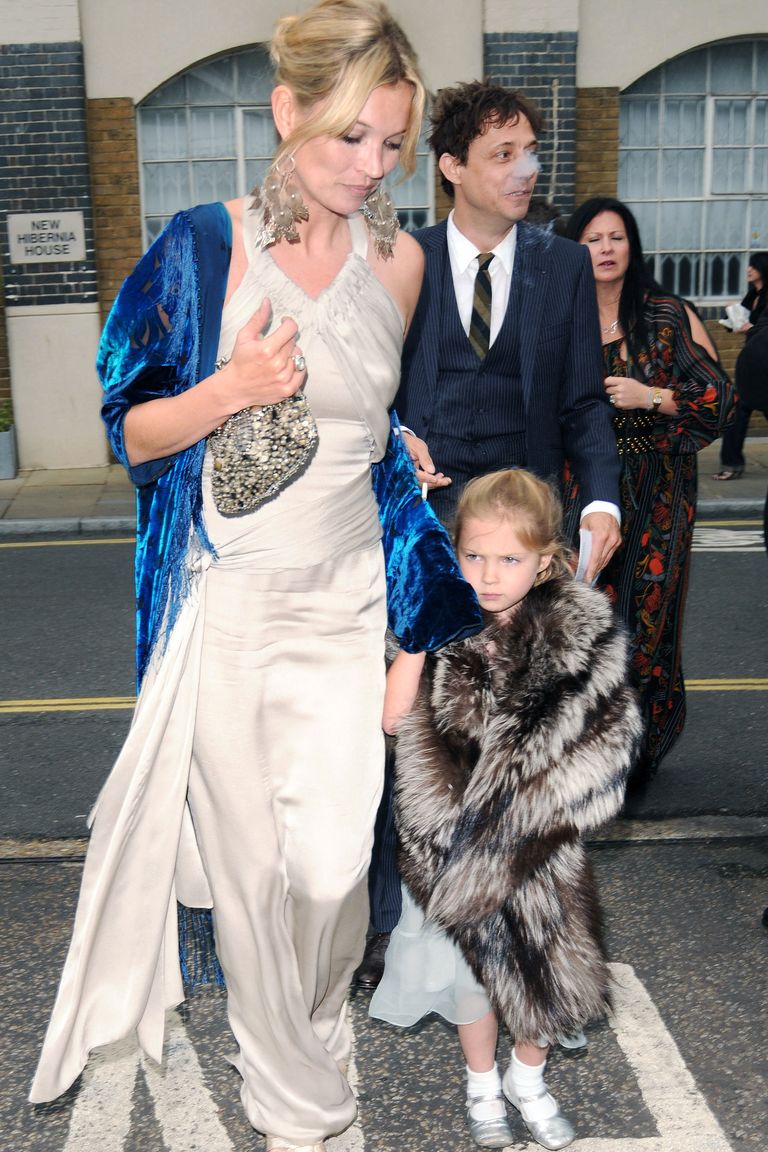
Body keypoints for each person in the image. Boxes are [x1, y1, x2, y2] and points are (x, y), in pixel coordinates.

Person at [28, 4, 482, 1148]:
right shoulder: (199, 246)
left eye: (390, 142)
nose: (371, 167)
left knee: (331, 882)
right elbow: (130, 433)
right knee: (252, 889)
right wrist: (229, 389)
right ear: (287, 114)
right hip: (229, 612)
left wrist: (401, 454)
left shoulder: (403, 261)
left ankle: (308, 1045)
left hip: (347, 613)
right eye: (349, 140)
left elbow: (375, 434)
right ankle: (301, 1114)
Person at [355, 80, 623, 989]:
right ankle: (394, 927)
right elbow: (366, 391)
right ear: (452, 168)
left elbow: (585, 402)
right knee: (409, 731)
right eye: (503, 154)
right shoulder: (400, 256)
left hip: (526, 534)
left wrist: (600, 507)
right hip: (427, 534)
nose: (527, 169)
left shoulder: (560, 266)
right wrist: (396, 438)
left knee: (523, 739)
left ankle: (520, 927)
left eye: (531, 152)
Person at [369, 469, 641, 1151]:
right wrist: (416, 639)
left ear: (546, 558)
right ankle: (482, 1082)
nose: (489, 575)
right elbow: (396, 721)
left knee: (545, 975)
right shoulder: (439, 624)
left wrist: (533, 817)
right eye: (473, 556)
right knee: (468, 977)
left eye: (510, 559)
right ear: (451, 551)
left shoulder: (578, 634)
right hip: (450, 849)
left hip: (536, 848)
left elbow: (610, 743)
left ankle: (528, 1076)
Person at [563, 196, 733, 788]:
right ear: (573, 249)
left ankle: (637, 751)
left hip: (660, 492)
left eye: (617, 237)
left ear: (631, 246)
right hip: (583, 491)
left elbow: (718, 401)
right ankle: (585, 746)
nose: (607, 249)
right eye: (593, 239)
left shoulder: (665, 314)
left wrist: (652, 397)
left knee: (647, 623)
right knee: (586, 623)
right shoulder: (563, 313)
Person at [713, 251, 768, 481]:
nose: (748, 270)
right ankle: (732, 463)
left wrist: (749, 328)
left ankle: (732, 464)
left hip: (764, 362)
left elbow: (760, 326)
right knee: (738, 410)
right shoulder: (753, 294)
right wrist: (732, 319)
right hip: (754, 363)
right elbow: (743, 321)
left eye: (753, 266)